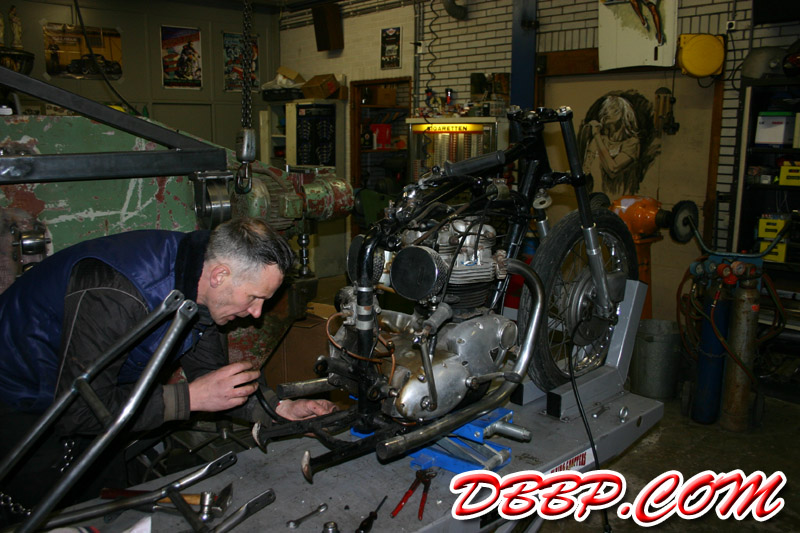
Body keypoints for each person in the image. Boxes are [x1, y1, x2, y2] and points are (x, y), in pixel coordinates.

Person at [0, 217, 335, 521]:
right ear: (220, 275)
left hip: (95, 399)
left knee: (106, 507)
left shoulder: (199, 282)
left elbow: (213, 377)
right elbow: (80, 411)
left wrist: (278, 409)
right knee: (42, 513)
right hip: (19, 396)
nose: (257, 313)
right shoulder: (117, 294)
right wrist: (189, 398)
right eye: (253, 298)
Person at [582, 94, 641, 196]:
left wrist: (596, 135)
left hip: (622, 201)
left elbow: (613, 169)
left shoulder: (632, 143)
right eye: (605, 110)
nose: (606, 114)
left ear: (623, 115)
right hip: (598, 199)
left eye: (613, 110)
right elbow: (585, 170)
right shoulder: (598, 140)